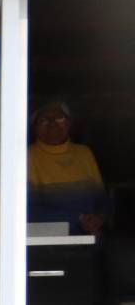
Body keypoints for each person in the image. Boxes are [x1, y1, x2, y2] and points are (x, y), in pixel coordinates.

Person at [27, 100, 107, 235]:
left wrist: (100, 217)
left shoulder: (84, 153)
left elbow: (101, 199)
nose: (53, 124)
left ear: (69, 124)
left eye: (59, 118)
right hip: (48, 241)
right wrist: (77, 219)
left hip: (89, 237)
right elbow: (25, 209)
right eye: (44, 120)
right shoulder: (26, 156)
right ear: (34, 127)